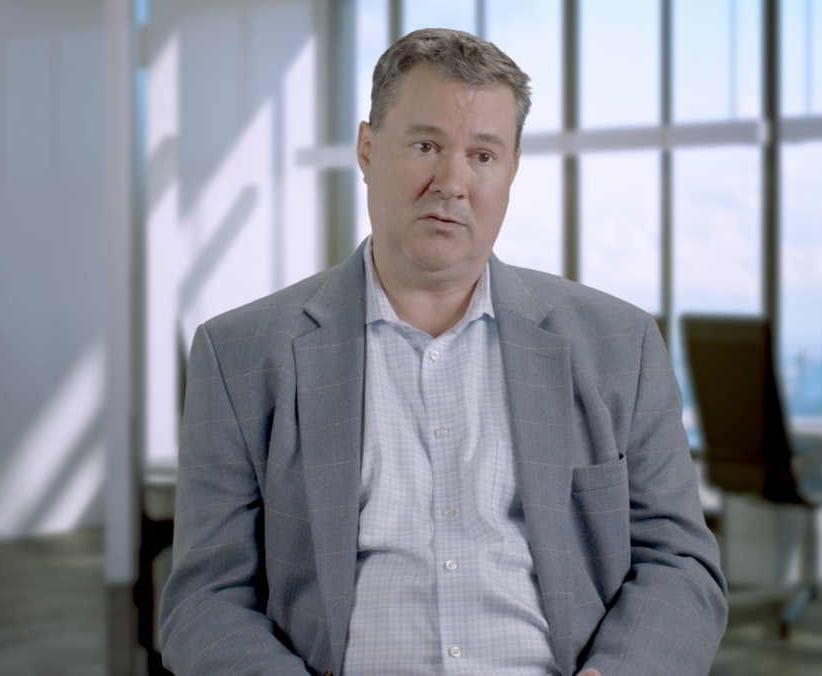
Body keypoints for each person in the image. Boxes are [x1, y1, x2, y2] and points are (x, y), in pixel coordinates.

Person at [159, 28, 727, 676]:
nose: (452, 182)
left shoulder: (620, 345)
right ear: (367, 149)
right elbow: (203, 600)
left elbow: (679, 563)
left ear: (511, 171)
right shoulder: (239, 356)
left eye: (482, 155)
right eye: (425, 145)